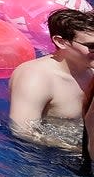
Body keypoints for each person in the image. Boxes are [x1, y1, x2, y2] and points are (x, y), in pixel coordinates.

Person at [8, 10, 94, 144]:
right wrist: (76, 150)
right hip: (44, 157)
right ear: (61, 42)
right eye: (92, 46)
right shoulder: (36, 77)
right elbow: (22, 131)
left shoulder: (90, 72)